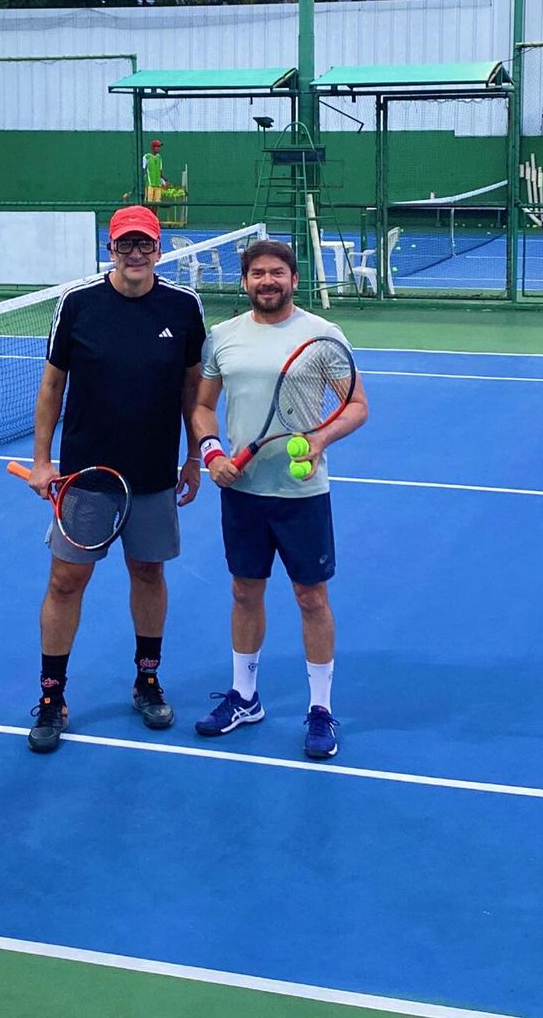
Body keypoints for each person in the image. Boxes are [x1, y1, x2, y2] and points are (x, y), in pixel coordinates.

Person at [26, 204, 206, 754]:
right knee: (65, 582)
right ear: (110, 248)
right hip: (86, 478)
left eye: (144, 244)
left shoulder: (184, 306)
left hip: (153, 474)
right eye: (125, 244)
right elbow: (52, 387)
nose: (135, 254)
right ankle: (52, 696)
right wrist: (42, 461)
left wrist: (194, 457)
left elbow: (193, 391)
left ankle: (147, 680)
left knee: (148, 573)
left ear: (159, 248)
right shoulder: (78, 305)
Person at [190, 240, 369, 761]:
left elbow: (357, 404)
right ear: (244, 281)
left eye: (277, 273)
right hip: (242, 492)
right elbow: (202, 407)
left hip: (301, 494)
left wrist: (320, 439)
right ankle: (245, 697)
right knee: (245, 592)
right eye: (257, 273)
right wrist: (211, 452)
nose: (267, 281)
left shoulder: (323, 335)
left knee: (311, 598)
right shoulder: (222, 337)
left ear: (293, 278)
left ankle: (320, 708)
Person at [143, 139, 167, 204]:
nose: (159, 148)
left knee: (157, 203)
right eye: (157, 147)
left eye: (159, 147)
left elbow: (160, 171)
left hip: (158, 185)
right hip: (150, 185)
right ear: (153, 148)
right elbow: (143, 170)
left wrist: (165, 180)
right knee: (149, 203)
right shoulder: (146, 157)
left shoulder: (159, 157)